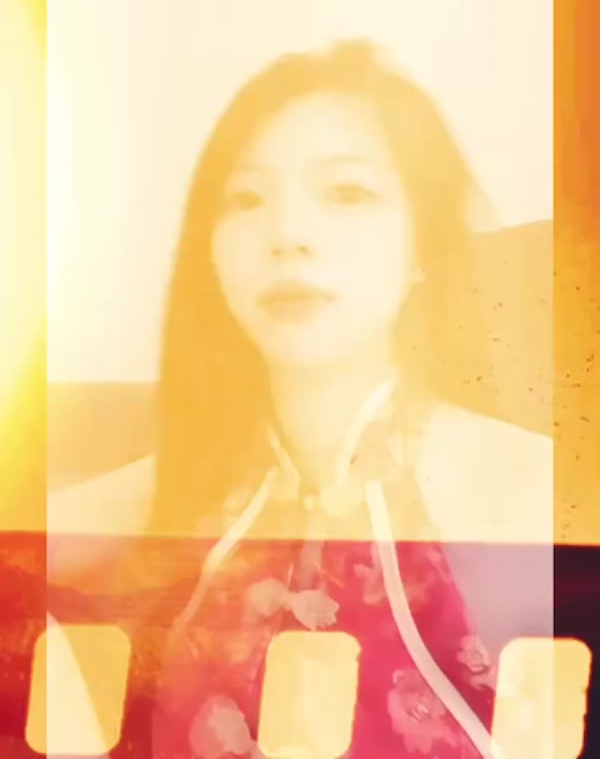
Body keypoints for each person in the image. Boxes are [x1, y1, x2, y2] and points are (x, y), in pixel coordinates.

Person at [48, 41, 552, 757]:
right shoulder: (134, 509)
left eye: (347, 194)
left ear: (423, 245)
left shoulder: (541, 492)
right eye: (245, 200)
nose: (287, 236)